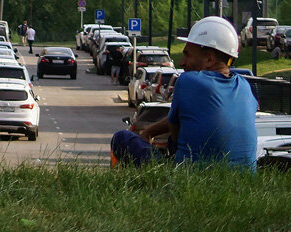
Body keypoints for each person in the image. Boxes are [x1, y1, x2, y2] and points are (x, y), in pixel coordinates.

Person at [110, 16, 257, 170]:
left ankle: (141, 184)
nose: (181, 62)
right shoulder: (245, 86)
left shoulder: (189, 81)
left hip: (191, 177)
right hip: (242, 176)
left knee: (122, 138)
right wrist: (150, 131)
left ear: (209, 59)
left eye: (187, 54)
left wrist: (148, 134)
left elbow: (176, 134)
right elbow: (186, 118)